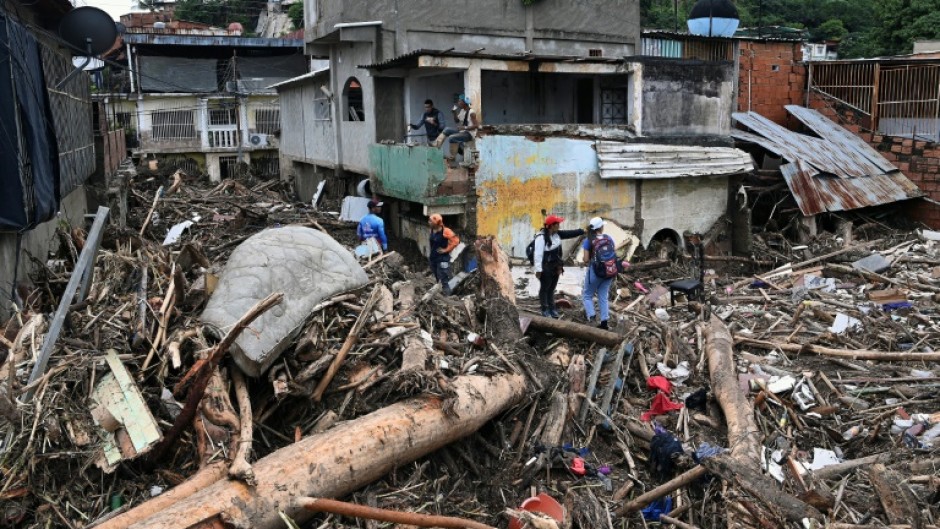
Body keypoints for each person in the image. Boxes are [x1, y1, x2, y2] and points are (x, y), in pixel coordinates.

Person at [533, 215, 585, 318]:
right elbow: (538, 254)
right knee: (545, 289)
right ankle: (545, 309)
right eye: (557, 224)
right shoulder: (541, 237)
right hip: (546, 267)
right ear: (552, 226)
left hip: (556, 267)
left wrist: (581, 231)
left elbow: (570, 233)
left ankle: (552, 308)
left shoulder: (557, 235)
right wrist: (538, 270)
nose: (559, 226)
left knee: (552, 288)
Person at [581, 217, 628, 330]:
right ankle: (604, 322)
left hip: (596, 272)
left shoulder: (588, 241)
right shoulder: (608, 238)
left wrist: (586, 258)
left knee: (587, 295)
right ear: (601, 227)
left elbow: (586, 260)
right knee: (603, 296)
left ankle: (592, 317)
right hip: (610, 270)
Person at [439, 94, 479, 166]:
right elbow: (457, 120)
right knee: (447, 129)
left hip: (469, 134)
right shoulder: (462, 111)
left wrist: (465, 128)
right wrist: (454, 113)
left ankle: (452, 157)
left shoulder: (471, 112)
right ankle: (436, 144)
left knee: (452, 137)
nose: (458, 103)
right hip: (463, 131)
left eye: (459, 101)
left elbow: (476, 125)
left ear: (464, 102)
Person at [428, 214, 460, 295]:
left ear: (436, 223)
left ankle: (448, 299)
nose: (428, 222)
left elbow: (456, 241)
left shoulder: (446, 231)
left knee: (444, 281)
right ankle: (440, 295)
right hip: (433, 260)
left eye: (430, 221)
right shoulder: (432, 230)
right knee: (438, 279)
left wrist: (446, 250)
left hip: (442, 260)